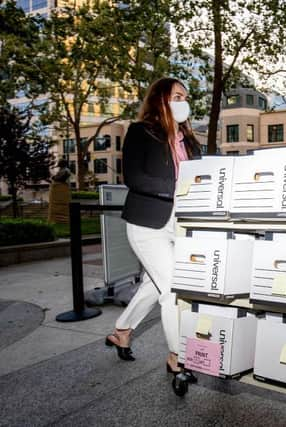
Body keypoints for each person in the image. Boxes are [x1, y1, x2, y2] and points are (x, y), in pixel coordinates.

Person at [105, 77, 201, 376]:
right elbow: (134, 177)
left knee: (153, 283)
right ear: (160, 99)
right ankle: (177, 355)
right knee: (173, 289)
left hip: (181, 223)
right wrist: (176, 187)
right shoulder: (141, 131)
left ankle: (122, 330)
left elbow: (203, 176)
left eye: (185, 97)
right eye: (176, 96)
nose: (182, 102)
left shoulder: (190, 140)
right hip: (147, 224)